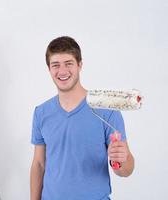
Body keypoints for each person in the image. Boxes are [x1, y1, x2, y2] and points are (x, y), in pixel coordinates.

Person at [30, 36, 134, 200]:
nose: (62, 71)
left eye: (69, 63)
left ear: (80, 65)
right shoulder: (41, 113)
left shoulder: (106, 111)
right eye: (55, 65)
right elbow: (39, 164)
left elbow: (125, 170)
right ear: (49, 69)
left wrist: (121, 160)